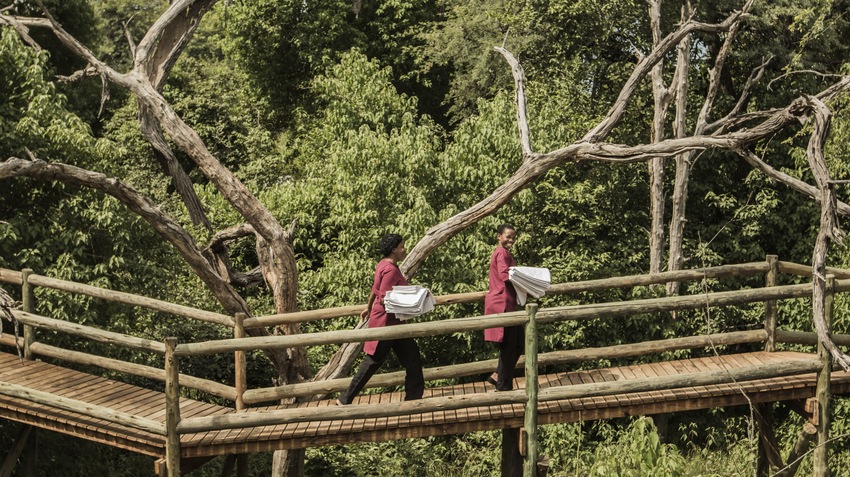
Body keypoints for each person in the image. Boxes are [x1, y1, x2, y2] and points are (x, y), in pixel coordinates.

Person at [337, 234, 425, 405]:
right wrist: (413, 304)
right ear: (394, 249)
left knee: (412, 357)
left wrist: (368, 307)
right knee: (373, 361)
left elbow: (375, 289)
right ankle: (345, 398)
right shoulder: (391, 269)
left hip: (393, 322)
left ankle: (413, 399)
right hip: (387, 322)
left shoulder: (383, 264)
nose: (404, 249)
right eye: (401, 246)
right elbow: (385, 299)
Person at [484, 223, 522, 391]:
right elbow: (504, 274)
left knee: (518, 343)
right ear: (499, 236)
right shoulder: (501, 253)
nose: (511, 240)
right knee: (509, 347)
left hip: (506, 303)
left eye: (513, 237)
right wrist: (527, 279)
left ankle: (497, 375)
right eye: (508, 236)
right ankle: (503, 387)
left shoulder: (503, 253)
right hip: (502, 304)